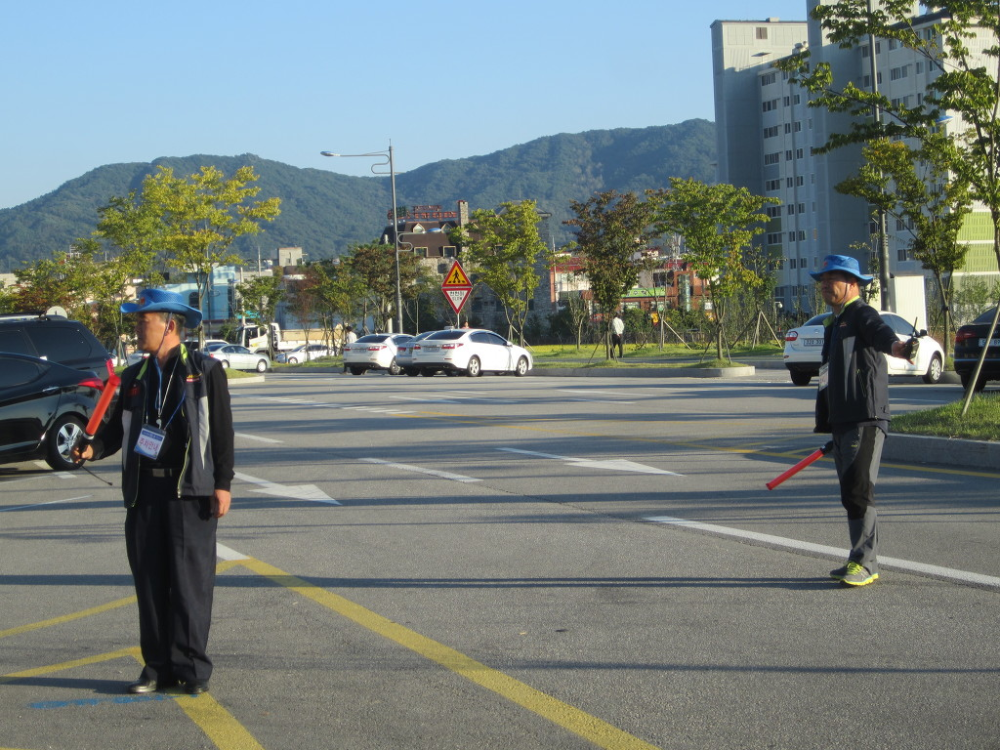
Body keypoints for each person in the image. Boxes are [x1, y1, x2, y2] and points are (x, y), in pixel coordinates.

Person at [74, 289, 234, 694]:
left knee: (189, 584)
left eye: (142, 321)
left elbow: (222, 433)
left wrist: (223, 484)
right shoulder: (134, 377)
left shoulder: (204, 369)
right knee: (149, 581)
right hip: (144, 492)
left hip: (189, 492)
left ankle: (192, 668)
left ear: (170, 325)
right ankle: (156, 667)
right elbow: (114, 433)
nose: (137, 329)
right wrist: (92, 448)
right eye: (135, 321)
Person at [812, 255, 914, 587]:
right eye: (823, 279)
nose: (826, 284)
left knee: (859, 489)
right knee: (850, 491)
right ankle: (858, 557)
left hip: (865, 416)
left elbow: (880, 333)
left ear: (853, 283)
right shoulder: (834, 322)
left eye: (834, 278)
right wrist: (830, 425)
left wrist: (897, 346)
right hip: (843, 422)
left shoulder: (861, 313)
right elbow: (829, 378)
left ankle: (866, 562)